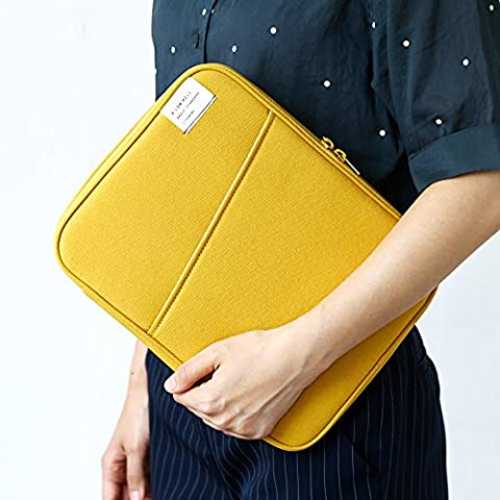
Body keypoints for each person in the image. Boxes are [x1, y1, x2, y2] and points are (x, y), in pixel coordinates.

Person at [101, 1, 500, 499]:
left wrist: (294, 359)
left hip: (337, 400)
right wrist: (140, 381)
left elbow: (482, 179)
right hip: (182, 397)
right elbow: (189, 181)